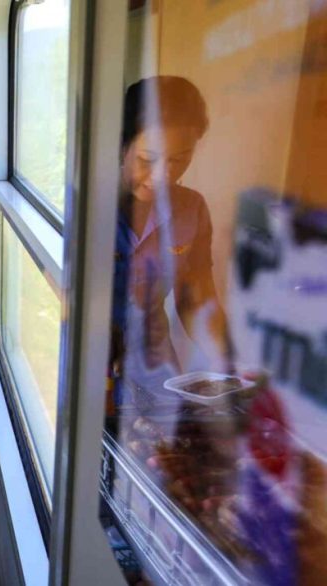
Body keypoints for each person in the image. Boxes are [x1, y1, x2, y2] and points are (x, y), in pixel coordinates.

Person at [110, 76, 231, 402]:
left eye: (179, 159)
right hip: (88, 364)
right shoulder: (80, 207)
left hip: (156, 369)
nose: (164, 175)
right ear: (121, 145)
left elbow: (197, 299)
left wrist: (228, 366)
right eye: (147, 160)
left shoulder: (191, 208)